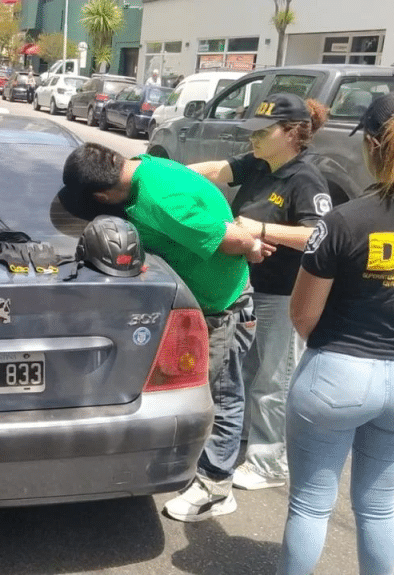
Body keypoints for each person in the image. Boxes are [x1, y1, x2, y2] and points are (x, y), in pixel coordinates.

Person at [277, 92, 394, 575]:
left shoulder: (342, 220)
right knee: (380, 507)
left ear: (370, 143)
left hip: (337, 372)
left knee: (311, 506)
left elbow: (303, 314)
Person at [60, 143, 272, 522]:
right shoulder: (145, 166)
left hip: (224, 305)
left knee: (221, 395)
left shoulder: (160, 201)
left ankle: (215, 486)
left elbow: (234, 239)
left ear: (104, 195)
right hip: (207, 298)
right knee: (213, 391)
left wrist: (254, 245)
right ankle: (209, 465)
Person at [186, 93, 332, 491]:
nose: (252, 138)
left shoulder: (305, 178)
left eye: (262, 131)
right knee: (248, 372)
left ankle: (270, 462)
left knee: (274, 379)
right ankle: (248, 441)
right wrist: (169, 173)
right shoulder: (259, 163)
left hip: (284, 294)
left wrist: (262, 230)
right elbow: (217, 170)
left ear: (290, 133)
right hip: (250, 287)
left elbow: (318, 235)